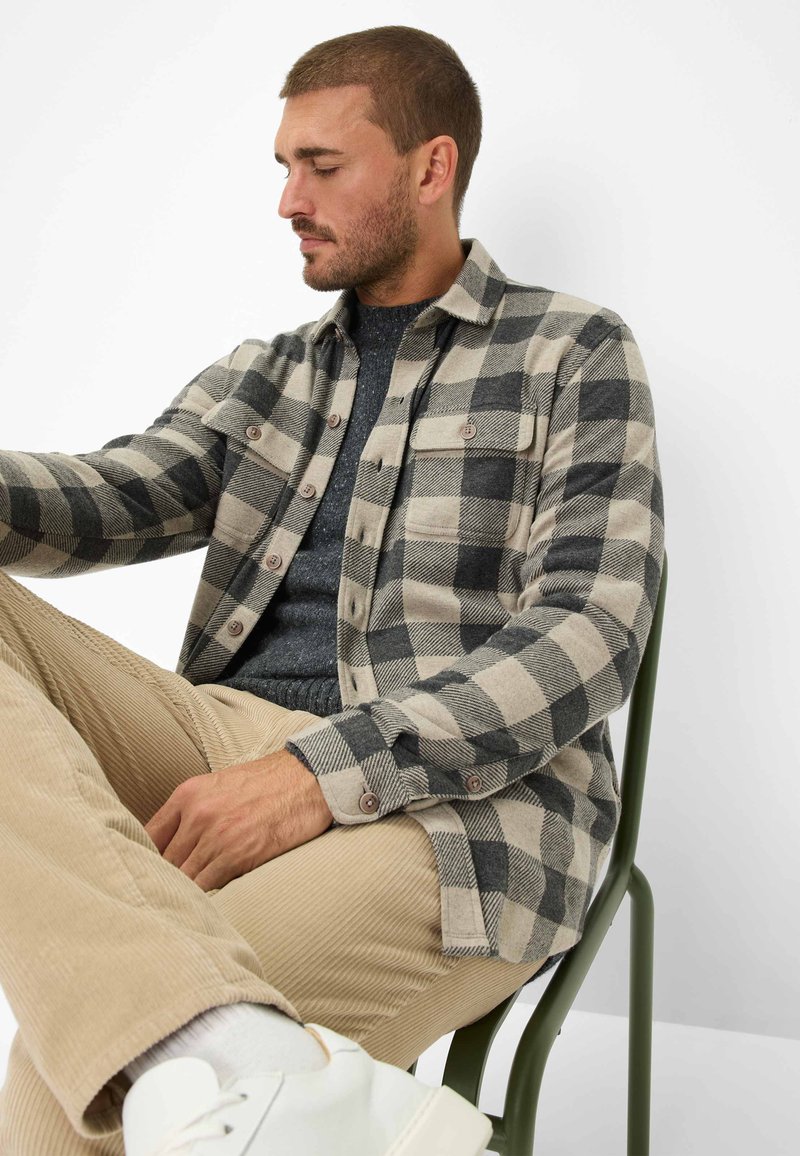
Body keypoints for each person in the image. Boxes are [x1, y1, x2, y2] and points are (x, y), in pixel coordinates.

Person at [0, 24, 664, 1156]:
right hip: (223, 745)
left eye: (321, 165)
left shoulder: (571, 352)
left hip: (463, 815)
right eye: (283, 166)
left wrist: (320, 774)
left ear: (430, 166)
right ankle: (251, 1063)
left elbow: (590, 634)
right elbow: (111, 496)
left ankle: (225, 1054)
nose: (287, 201)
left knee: (86, 1081)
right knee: (154, 1045)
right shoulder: (267, 374)